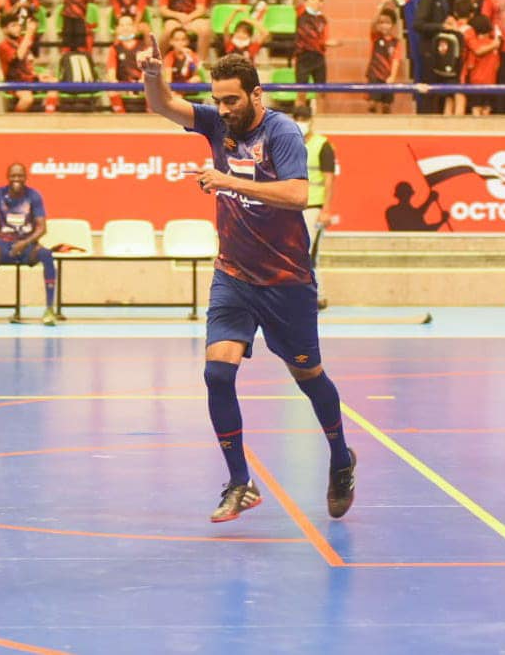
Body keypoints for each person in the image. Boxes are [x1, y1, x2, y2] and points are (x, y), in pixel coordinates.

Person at [140, 42, 357, 523]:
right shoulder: (217, 124)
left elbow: (298, 195)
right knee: (217, 373)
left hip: (285, 280)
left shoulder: (282, 132)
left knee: (308, 377)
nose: (222, 109)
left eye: (231, 100)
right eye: (217, 100)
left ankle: (341, 458)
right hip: (234, 274)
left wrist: (228, 181)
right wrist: (154, 76)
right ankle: (241, 482)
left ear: (256, 95)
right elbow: (163, 105)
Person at [0, 163, 57, 327]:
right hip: (3, 245)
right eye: (13, 176)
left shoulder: (33, 196)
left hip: (27, 246)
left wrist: (25, 242)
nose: (17, 179)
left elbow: (42, 228)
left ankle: (50, 310)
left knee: (47, 254)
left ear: (26, 177)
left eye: (20, 176)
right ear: (8, 177)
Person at [293, 105, 336, 310]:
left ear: (311, 121)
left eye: (304, 119)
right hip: (293, 204)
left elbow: (329, 180)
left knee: (308, 252)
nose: (301, 122)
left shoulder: (322, 145)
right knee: (295, 252)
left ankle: (315, 295)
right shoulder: (290, 143)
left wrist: (326, 210)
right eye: (298, 118)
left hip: (314, 206)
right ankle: (305, 294)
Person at [413, 0, 453, 113]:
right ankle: (427, 117)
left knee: (441, 90)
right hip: (429, 50)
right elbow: (418, 24)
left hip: (441, 51)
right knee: (430, 89)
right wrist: (441, 26)